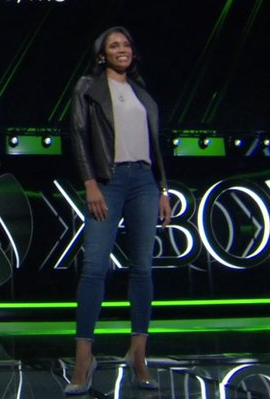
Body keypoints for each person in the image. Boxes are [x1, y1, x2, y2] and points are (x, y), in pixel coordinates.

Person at [64, 26, 173, 395]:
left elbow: (155, 146)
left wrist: (162, 188)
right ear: (102, 54)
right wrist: (90, 182)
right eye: (114, 45)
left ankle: (138, 355)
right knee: (94, 267)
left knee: (142, 268)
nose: (122, 49)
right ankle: (83, 361)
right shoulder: (88, 87)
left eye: (126, 44)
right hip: (107, 180)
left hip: (144, 181)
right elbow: (78, 134)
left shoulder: (142, 93)